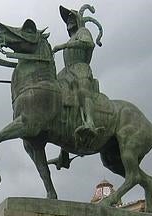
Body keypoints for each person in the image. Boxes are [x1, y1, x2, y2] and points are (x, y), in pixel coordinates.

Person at [53, 4, 104, 148]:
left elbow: (89, 44)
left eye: (71, 18)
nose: (69, 21)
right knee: (51, 91)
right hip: (67, 71)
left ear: (78, 20)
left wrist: (63, 46)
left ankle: (90, 122)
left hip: (81, 68)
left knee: (82, 90)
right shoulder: (72, 38)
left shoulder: (83, 31)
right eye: (67, 19)